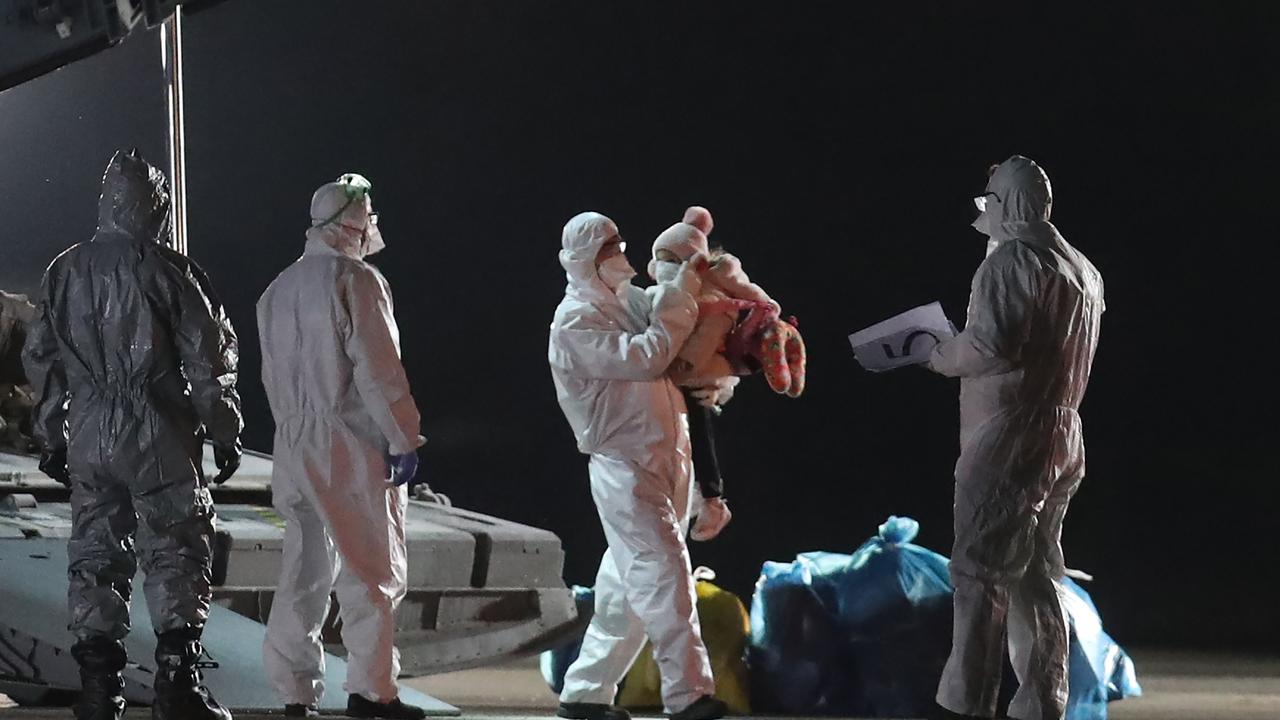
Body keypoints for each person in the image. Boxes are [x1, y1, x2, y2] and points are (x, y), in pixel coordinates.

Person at [22, 149, 244, 720]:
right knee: (175, 548)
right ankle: (177, 687)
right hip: (159, 434)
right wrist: (224, 429)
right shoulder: (171, 272)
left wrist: (51, 433)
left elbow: (41, 359)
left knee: (95, 552)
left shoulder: (64, 270)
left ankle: (99, 692)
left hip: (92, 434)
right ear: (155, 205)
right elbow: (208, 359)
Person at [927, 156, 1104, 720]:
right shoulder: (1082, 268)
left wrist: (936, 353)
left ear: (1006, 205)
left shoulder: (1011, 261)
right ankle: (1041, 702)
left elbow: (991, 346)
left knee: (979, 573)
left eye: (989, 203)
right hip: (1063, 431)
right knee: (1036, 571)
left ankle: (965, 705)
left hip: (1009, 431)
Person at [257, 173, 427, 720]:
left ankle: (294, 693)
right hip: (349, 442)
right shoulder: (357, 280)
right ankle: (373, 692)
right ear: (352, 221)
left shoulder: (276, 289)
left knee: (303, 571)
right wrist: (402, 437)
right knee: (372, 569)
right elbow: (379, 370)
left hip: (292, 441)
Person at [549, 212, 727, 720]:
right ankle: (690, 694)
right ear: (588, 260)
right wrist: (679, 295)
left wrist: (683, 271)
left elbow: (674, 333)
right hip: (624, 466)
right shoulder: (575, 321)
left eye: (619, 244)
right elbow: (648, 354)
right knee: (665, 573)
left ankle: (585, 693)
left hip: (662, 457)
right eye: (611, 248)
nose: (622, 255)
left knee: (624, 591)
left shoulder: (623, 301)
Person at [646, 207, 804, 541]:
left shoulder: (715, 284)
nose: (663, 268)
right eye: (660, 260)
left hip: (703, 364)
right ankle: (709, 497)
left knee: (698, 429)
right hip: (675, 385)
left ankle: (712, 497)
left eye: (670, 259)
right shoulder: (666, 294)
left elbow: (748, 293)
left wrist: (764, 307)